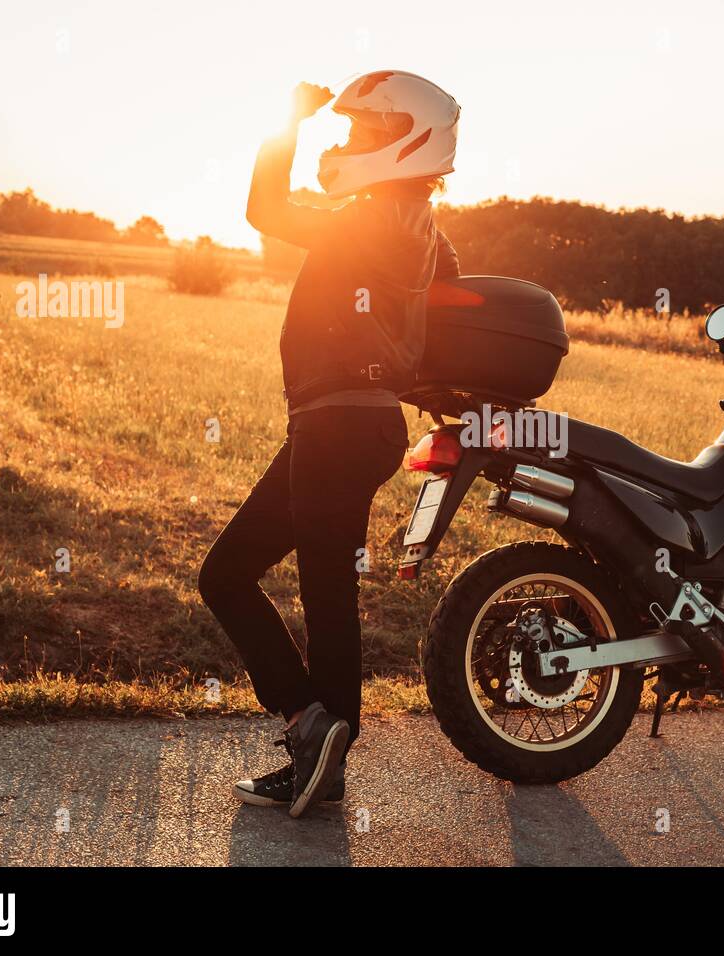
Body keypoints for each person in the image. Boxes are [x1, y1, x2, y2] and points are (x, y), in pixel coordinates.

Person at [198, 71, 461, 818]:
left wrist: (287, 124)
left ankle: (317, 733)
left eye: (362, 133)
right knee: (232, 575)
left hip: (338, 423)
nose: (347, 144)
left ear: (406, 140)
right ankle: (317, 730)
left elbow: (263, 208)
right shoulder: (423, 230)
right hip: (363, 425)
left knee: (316, 587)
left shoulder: (370, 220)